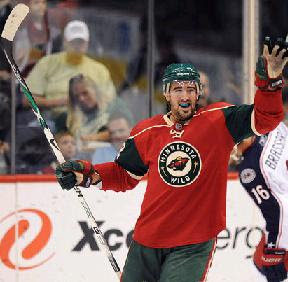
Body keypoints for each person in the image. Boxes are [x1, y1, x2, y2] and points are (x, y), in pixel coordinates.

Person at [55, 38, 287, 282]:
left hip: (193, 244)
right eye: (178, 89)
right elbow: (123, 175)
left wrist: (269, 83)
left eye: (190, 89)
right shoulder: (146, 131)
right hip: (147, 241)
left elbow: (266, 118)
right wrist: (86, 174)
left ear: (198, 92)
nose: (185, 95)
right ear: (166, 92)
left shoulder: (219, 119)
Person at [236, 86, 288, 282]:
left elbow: (278, 211)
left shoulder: (249, 171)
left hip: (284, 228)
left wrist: (274, 249)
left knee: (261, 268)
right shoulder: (273, 128)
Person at [25, 20, 115, 121]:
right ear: (65, 42)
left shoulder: (100, 70)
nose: (77, 46)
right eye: (73, 42)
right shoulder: (47, 63)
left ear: (87, 43)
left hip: (91, 119)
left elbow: (110, 102)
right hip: (52, 119)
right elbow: (26, 99)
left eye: (81, 42)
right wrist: (57, 103)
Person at [55, 74, 132, 148]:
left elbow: (126, 131)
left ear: (95, 90)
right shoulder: (67, 118)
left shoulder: (115, 106)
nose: (81, 98)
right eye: (76, 96)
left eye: (85, 93)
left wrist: (92, 138)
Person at [14, 0, 62, 77]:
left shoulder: (55, 33)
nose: (41, 6)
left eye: (43, 2)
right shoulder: (20, 32)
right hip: (24, 79)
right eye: (36, 3)